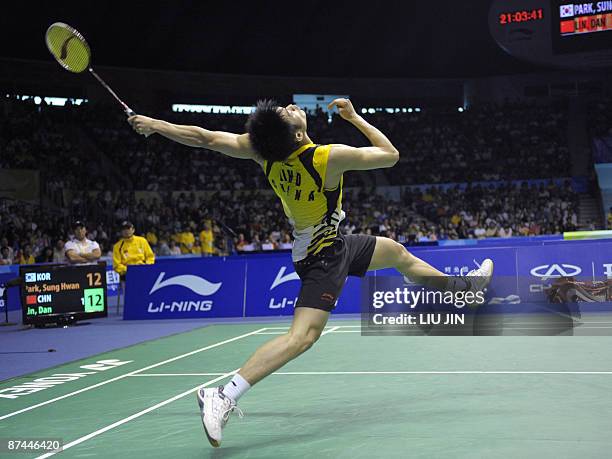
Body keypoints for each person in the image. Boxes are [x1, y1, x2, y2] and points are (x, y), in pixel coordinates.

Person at [128, 98, 494, 448]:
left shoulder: (262, 153)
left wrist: (155, 125)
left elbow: (204, 138)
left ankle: (464, 290)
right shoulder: (326, 157)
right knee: (302, 337)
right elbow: (390, 154)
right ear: (299, 135)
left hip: (331, 244)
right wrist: (353, 118)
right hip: (323, 256)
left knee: (397, 253)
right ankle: (222, 395)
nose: (290, 108)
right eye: (289, 113)